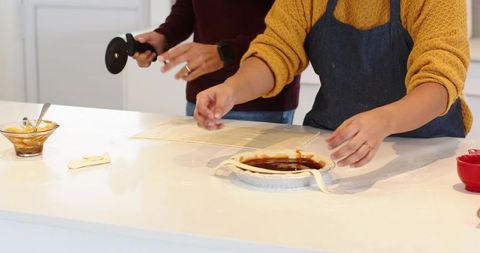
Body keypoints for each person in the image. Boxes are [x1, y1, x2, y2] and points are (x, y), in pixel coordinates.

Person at [194, 0, 473, 168]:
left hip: (427, 151)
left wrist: (385, 121)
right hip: (335, 152)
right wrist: (232, 89)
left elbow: (439, 82)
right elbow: (276, 51)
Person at [132, 0, 300, 124]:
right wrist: (165, 36)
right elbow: (189, 6)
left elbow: (287, 32)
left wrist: (225, 52)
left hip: (261, 102)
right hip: (202, 97)